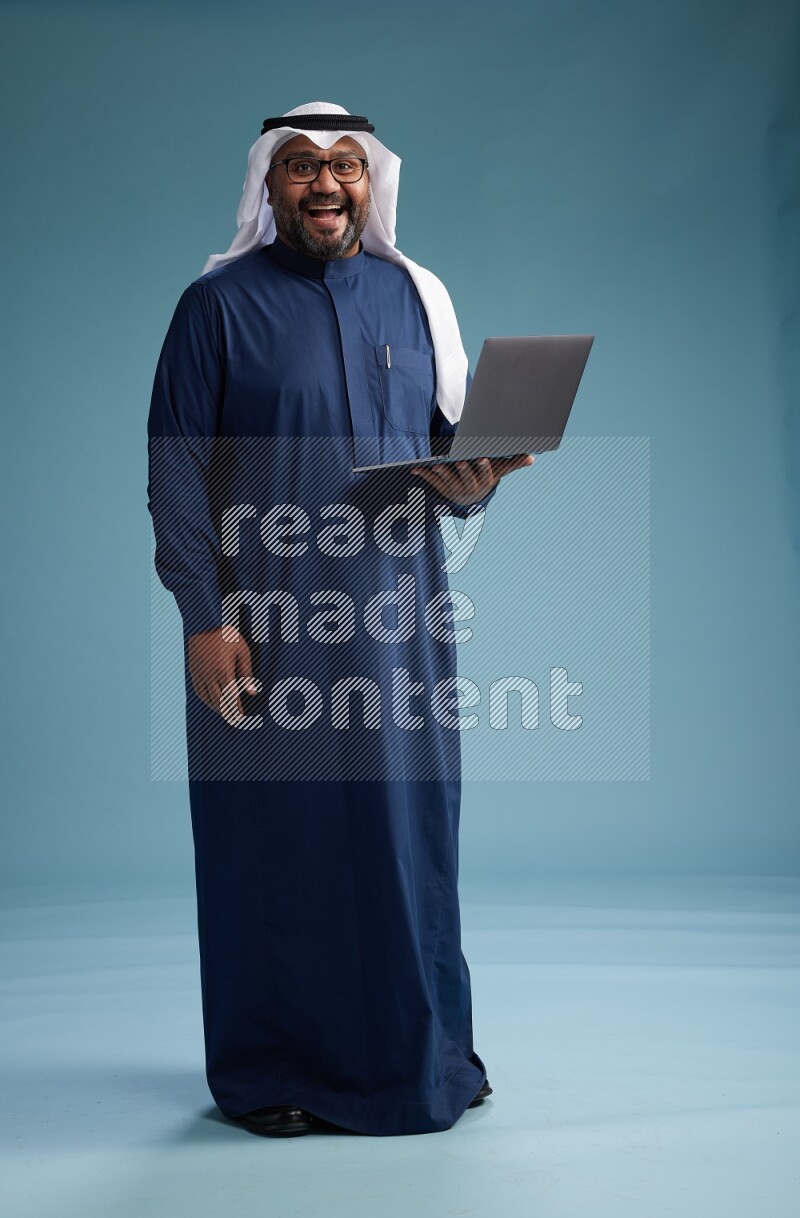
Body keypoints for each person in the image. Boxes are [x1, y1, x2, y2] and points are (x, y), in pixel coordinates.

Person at [147, 101, 532, 1138]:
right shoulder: (215, 307)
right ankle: (274, 1071)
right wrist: (201, 616)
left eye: (346, 167)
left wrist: (476, 480)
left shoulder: (415, 302)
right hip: (266, 622)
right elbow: (176, 472)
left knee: (408, 844)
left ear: (373, 184)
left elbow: (450, 466)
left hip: (401, 620)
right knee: (277, 845)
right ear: (268, 186)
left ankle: (428, 1056)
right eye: (304, 167)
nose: (326, 184)